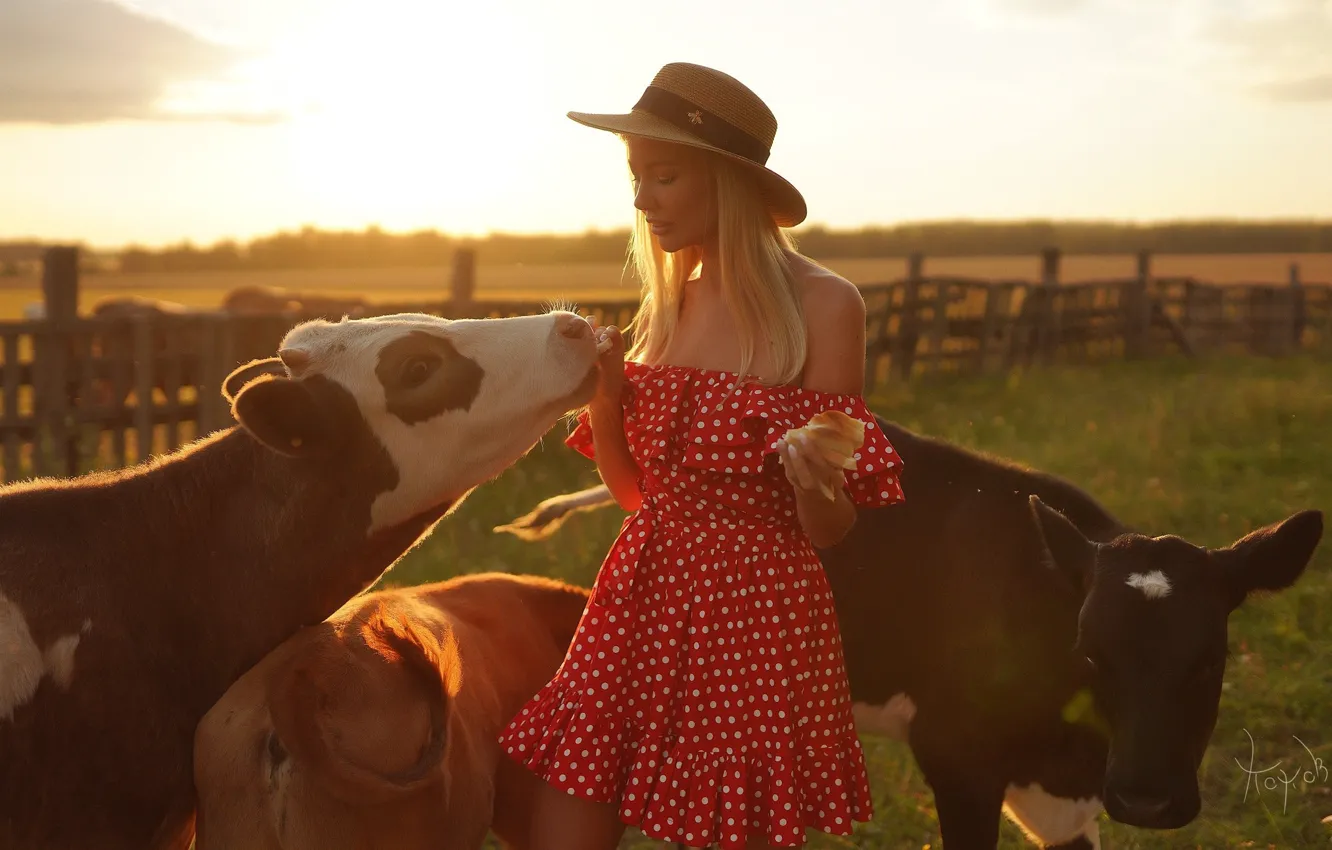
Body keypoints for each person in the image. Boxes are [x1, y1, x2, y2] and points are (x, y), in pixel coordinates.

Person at [498, 62, 906, 850]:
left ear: (726, 181)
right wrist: (610, 401)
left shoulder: (826, 305)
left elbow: (828, 532)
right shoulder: (669, 304)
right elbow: (634, 498)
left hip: (756, 614)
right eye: (636, 179)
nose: (643, 200)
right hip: (640, 592)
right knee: (567, 821)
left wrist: (810, 475)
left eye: (665, 176)